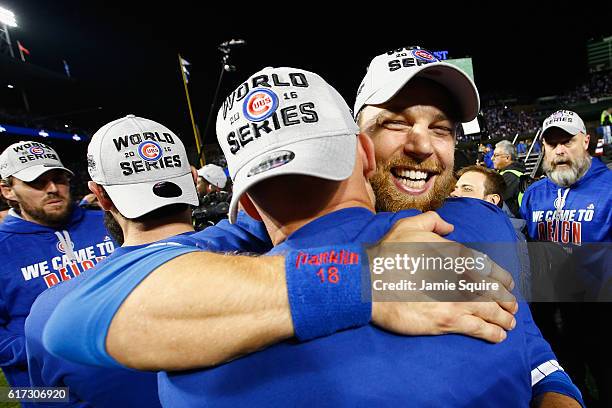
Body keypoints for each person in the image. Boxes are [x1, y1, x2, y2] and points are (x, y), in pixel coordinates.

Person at [0, 141, 114, 388]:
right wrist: (49, 350)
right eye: (37, 182)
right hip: (53, 395)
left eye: (59, 178)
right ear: (8, 191)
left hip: (130, 378)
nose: (52, 189)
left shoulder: (110, 223)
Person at [521, 109, 612, 407]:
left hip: (600, 310)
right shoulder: (534, 194)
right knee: (565, 382)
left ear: (585, 141)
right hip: (551, 311)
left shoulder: (608, 187)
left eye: (567, 141)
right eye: (552, 144)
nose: (560, 150)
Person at [492, 139, 527, 217]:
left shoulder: (508, 177)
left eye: (495, 155)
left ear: (507, 158)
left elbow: (495, 205)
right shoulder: (517, 173)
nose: (492, 158)